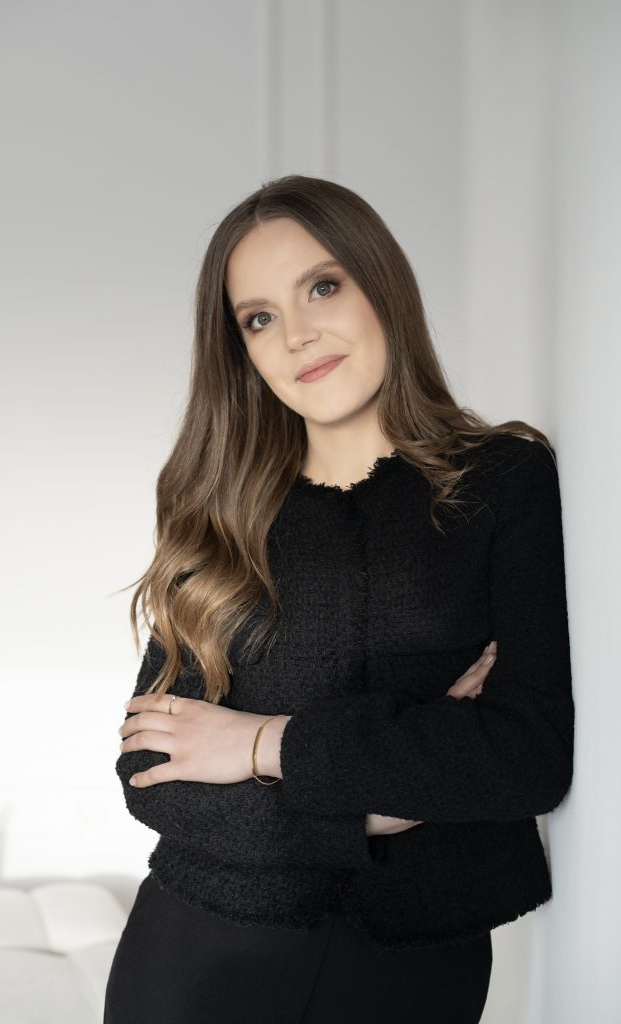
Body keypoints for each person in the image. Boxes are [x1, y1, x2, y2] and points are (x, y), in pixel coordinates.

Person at [103, 175, 574, 1023]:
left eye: (321, 287)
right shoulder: (217, 507)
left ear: (379, 283)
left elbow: (524, 754)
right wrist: (368, 811)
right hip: (197, 951)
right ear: (241, 350)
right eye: (258, 318)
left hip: (415, 969)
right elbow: (151, 769)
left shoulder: (502, 481)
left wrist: (259, 743)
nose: (297, 335)